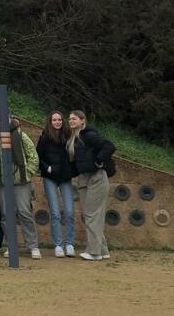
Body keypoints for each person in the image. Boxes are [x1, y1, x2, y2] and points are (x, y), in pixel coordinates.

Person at [0, 116, 42, 259]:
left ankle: (32, 245)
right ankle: (11, 245)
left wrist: (27, 173)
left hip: (20, 181)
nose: (2, 122)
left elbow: (33, 156)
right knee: (6, 214)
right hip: (1, 182)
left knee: (25, 212)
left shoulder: (21, 135)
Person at [68, 110, 116, 261]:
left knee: (91, 215)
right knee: (91, 215)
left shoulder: (88, 135)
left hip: (96, 177)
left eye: (74, 118)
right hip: (84, 179)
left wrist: (98, 161)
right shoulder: (74, 138)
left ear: (83, 120)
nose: (71, 121)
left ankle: (94, 252)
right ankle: (102, 249)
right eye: (69, 119)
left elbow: (109, 146)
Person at [37, 109, 76, 257]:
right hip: (50, 177)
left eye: (59, 120)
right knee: (55, 212)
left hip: (65, 177)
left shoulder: (68, 136)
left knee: (70, 211)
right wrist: (47, 167)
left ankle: (70, 243)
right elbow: (38, 156)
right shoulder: (45, 137)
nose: (57, 122)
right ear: (50, 121)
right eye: (54, 120)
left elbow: (74, 155)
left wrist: (70, 170)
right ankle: (58, 245)